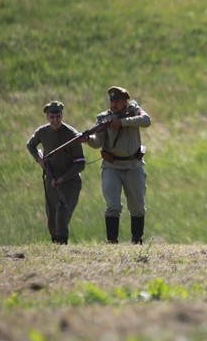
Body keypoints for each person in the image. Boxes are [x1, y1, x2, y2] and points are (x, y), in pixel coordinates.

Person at [82, 86, 151, 244]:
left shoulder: (134, 112)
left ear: (125, 101)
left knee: (137, 206)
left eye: (117, 101)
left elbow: (147, 121)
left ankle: (137, 239)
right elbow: (98, 142)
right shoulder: (103, 118)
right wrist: (87, 139)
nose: (113, 104)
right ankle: (112, 241)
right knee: (112, 205)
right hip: (111, 166)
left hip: (133, 165)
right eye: (111, 100)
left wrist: (121, 123)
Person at [26, 101, 86, 244]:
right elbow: (30, 145)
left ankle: (62, 246)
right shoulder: (42, 132)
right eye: (52, 117)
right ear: (47, 117)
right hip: (51, 180)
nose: (55, 120)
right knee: (52, 216)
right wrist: (39, 159)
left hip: (70, 182)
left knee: (62, 214)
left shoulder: (72, 134)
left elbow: (80, 164)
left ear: (62, 116)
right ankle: (55, 245)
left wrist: (63, 179)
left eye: (58, 117)